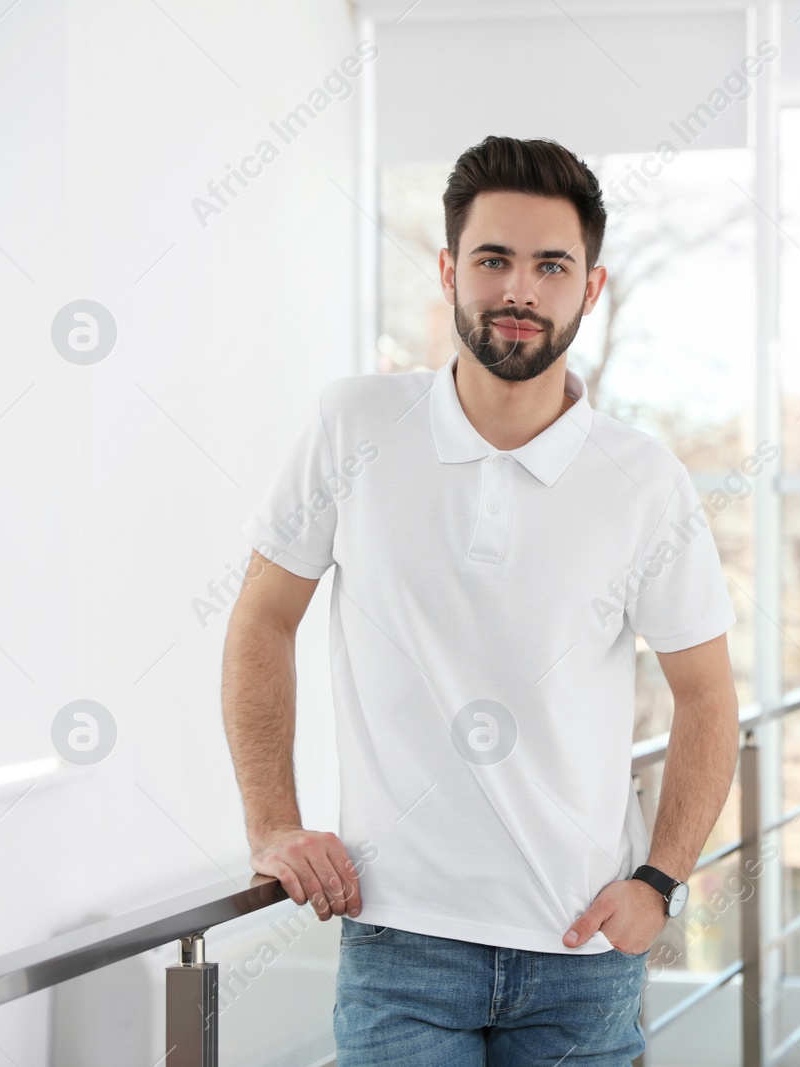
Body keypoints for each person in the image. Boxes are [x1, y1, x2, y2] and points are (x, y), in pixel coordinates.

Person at [220, 135, 741, 1066]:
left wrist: (660, 882)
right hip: (400, 941)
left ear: (590, 287)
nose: (520, 291)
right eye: (494, 259)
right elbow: (263, 616)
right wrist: (273, 823)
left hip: (583, 953)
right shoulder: (355, 424)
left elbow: (707, 692)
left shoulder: (644, 479)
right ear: (451, 270)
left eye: (552, 265)